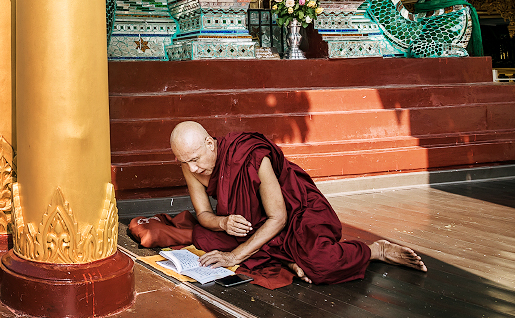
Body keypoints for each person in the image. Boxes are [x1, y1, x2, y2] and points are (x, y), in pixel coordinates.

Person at [163, 121, 426, 286]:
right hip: (253, 225)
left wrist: (234, 256)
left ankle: (374, 251)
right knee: (205, 236)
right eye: (184, 162)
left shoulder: (251, 156)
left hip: (297, 213)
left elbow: (279, 218)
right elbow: (204, 214)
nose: (193, 168)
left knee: (322, 264)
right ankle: (290, 261)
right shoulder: (191, 165)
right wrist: (223, 222)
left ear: (210, 143)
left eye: (196, 159)